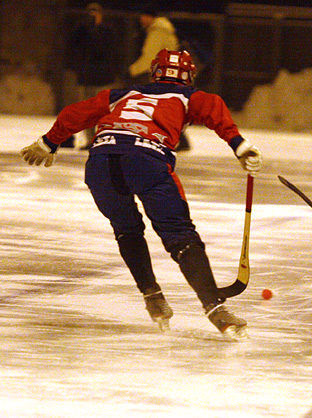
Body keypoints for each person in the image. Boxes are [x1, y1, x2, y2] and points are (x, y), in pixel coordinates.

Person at [20, 49, 262, 338]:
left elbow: (76, 112)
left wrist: (49, 141)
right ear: (189, 76)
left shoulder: (121, 94)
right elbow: (213, 106)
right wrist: (239, 145)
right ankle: (216, 310)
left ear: (154, 73)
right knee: (180, 235)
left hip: (100, 162)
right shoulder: (188, 96)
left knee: (126, 230)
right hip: (147, 160)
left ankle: (153, 298)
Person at [127, 5, 190, 151]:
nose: (141, 20)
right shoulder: (164, 30)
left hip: (162, 76)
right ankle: (178, 139)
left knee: (158, 109)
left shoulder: (157, 32)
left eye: (143, 16)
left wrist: (132, 70)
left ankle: (176, 140)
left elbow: (150, 57)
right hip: (169, 74)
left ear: (150, 17)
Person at [65, 2, 117, 148]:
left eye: (96, 13)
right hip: (86, 76)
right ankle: (89, 140)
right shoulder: (82, 30)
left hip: (102, 78)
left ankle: (101, 139)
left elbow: (103, 50)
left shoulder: (107, 31)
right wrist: (83, 29)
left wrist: (95, 30)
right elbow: (72, 45)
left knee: (102, 111)